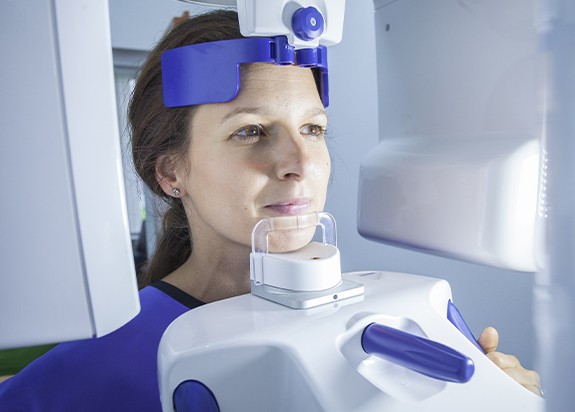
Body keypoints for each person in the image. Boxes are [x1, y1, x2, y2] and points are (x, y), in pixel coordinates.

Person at [0, 9, 541, 411]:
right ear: (171, 173)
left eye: (312, 128)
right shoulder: (95, 365)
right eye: (251, 131)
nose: (298, 161)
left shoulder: (403, 316)